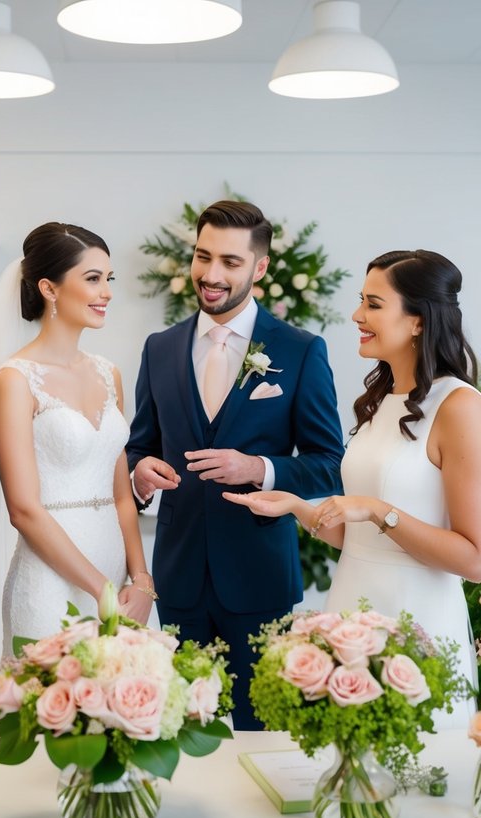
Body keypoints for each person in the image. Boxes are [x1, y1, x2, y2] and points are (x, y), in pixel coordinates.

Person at [227, 249, 481, 728]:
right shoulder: (381, 400)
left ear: (417, 321)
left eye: (373, 304)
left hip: (418, 623)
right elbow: (361, 536)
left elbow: (476, 560)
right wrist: (297, 507)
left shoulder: (460, 407)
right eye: (361, 302)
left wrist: (378, 510)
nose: (357, 316)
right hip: (353, 607)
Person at [127, 200, 344, 730]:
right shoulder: (159, 348)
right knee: (179, 729)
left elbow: (329, 464)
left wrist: (260, 470)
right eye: (203, 257)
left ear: (260, 268)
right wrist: (139, 474)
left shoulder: (300, 351)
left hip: (258, 576)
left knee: (260, 730)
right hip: (177, 579)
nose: (212, 274)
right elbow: (140, 445)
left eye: (230, 261)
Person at [0, 223, 152, 651]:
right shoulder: (15, 380)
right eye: (92, 279)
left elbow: (121, 495)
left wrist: (141, 579)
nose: (106, 292)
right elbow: (23, 510)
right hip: (49, 584)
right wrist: (100, 591)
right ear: (49, 289)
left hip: (119, 582)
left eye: (108, 279)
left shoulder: (109, 374)